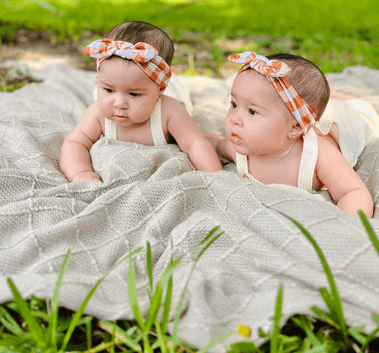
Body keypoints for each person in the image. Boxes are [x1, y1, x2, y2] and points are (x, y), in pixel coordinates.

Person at [207, 51, 374, 218]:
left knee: (360, 109)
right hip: (300, 116)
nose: (235, 119)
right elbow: (215, 143)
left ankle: (343, 100)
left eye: (252, 111)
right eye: (234, 104)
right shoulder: (240, 148)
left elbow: (353, 191)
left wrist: (348, 226)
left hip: (346, 120)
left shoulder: (318, 154)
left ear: (294, 127)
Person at [59, 21, 223, 182]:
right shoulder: (98, 112)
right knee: (114, 87)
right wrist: (80, 172)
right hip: (131, 85)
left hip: (173, 93)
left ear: (160, 90)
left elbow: (195, 143)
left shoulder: (169, 111)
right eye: (108, 90)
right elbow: (75, 142)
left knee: (180, 97)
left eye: (134, 94)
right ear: (99, 81)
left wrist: (215, 177)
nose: (119, 103)